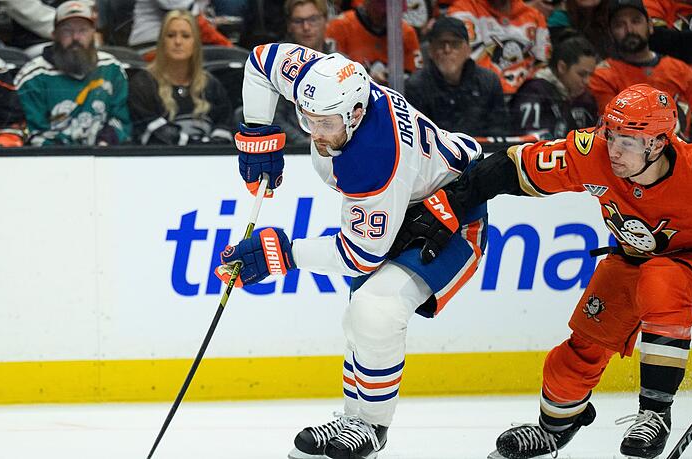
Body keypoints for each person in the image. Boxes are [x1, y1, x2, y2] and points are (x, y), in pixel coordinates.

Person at [387, 83, 692, 459]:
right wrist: (450, 205)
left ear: (659, 143)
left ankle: (654, 414)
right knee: (576, 354)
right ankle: (555, 428)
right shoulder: (592, 152)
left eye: (627, 140)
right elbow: (513, 167)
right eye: (611, 134)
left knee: (662, 281)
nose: (613, 148)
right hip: (635, 258)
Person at [215, 43, 488, 459]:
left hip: (450, 216)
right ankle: (352, 419)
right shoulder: (314, 79)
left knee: (375, 310)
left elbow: (359, 257)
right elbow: (260, 62)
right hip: (404, 201)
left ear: (356, 114)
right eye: (307, 120)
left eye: (326, 124)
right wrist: (257, 131)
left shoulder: (374, 156)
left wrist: (283, 254)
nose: (315, 135)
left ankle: (371, 429)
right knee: (358, 313)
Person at [588, 0, 692, 140]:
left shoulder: (681, 70)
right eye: (620, 25)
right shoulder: (603, 76)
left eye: (636, 21)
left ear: (650, 26)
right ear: (611, 33)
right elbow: (611, 132)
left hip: (682, 156)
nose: (629, 30)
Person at [14, 0, 131, 146]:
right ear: (54, 34)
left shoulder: (111, 69)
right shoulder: (32, 77)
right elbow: (32, 132)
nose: (76, 37)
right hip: (50, 161)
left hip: (103, 158)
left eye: (83, 30)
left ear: (93, 33)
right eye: (67, 30)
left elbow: (122, 120)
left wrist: (104, 143)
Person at [128, 10, 232, 145]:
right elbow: (149, 133)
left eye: (185, 36)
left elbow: (226, 126)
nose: (178, 42)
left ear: (195, 43)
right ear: (161, 42)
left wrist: (211, 146)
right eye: (171, 35)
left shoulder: (211, 84)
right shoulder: (143, 84)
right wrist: (197, 145)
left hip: (208, 162)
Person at [405, 16, 507, 137]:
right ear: (430, 50)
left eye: (455, 44)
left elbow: (499, 131)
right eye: (440, 43)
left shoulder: (489, 82)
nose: (447, 49)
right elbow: (416, 136)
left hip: (483, 152)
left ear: (468, 50)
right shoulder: (415, 86)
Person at [449, 0, 551, 94]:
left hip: (525, 96)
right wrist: (509, 91)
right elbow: (470, 64)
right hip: (481, 96)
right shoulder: (462, 10)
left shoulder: (534, 16)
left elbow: (542, 66)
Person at [509, 33, 598, 139]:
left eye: (590, 74)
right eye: (581, 74)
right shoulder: (534, 92)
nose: (587, 81)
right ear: (562, 67)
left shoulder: (585, 99)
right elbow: (525, 143)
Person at [274, 0, 336, 146]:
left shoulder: (341, 64)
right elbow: (273, 118)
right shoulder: (276, 64)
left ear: (325, 20)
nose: (306, 27)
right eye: (298, 21)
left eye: (313, 19)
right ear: (289, 25)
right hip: (291, 151)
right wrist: (304, 144)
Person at [326, 0, 422, 85]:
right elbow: (330, 77)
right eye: (384, 12)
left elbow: (417, 78)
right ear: (367, 3)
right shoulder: (339, 27)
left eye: (395, 11)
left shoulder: (406, 32)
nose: (390, 16)